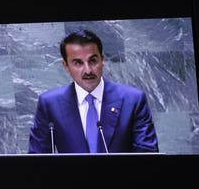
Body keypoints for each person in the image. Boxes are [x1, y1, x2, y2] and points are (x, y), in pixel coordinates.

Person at [27, 29, 158, 154]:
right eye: (78, 63)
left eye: (93, 61)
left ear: (102, 60)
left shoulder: (133, 100)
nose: (88, 70)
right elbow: (37, 156)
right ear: (66, 66)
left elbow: (147, 154)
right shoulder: (50, 104)